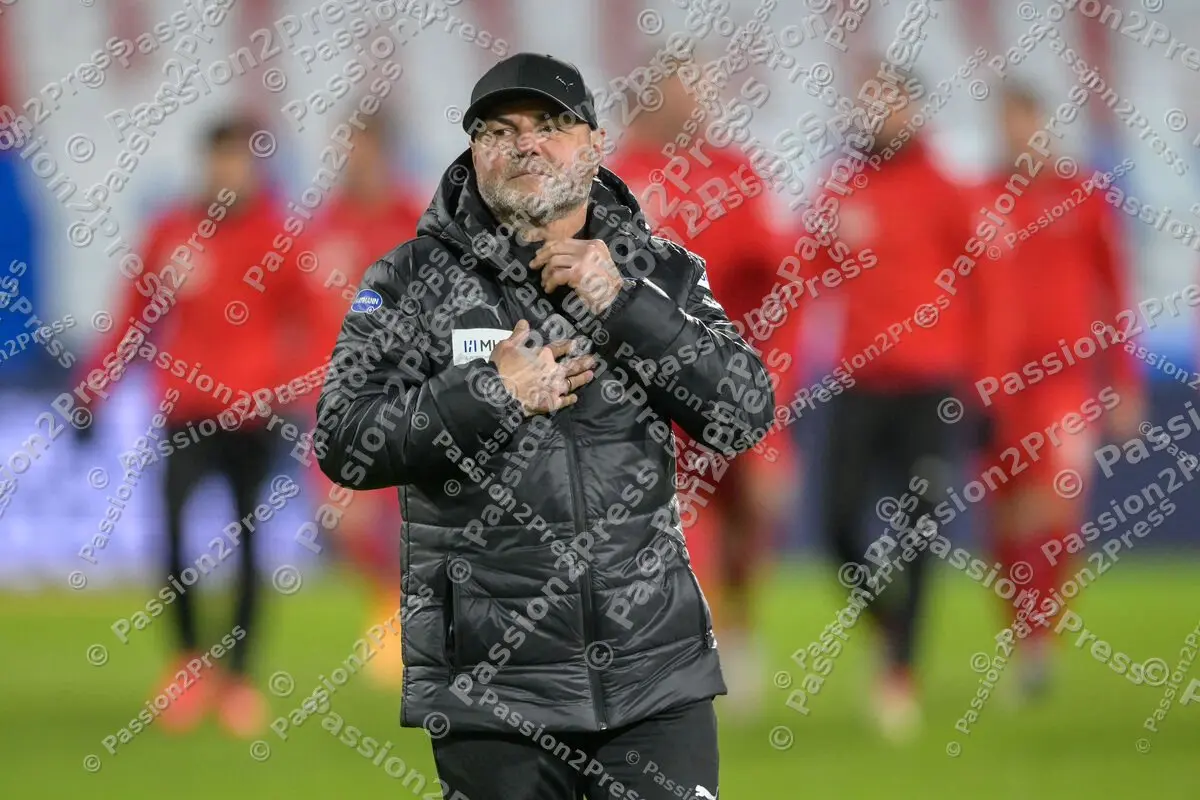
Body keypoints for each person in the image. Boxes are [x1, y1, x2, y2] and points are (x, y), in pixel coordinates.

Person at [314, 52, 775, 800]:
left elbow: (743, 411)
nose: (526, 144)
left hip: (654, 678)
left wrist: (625, 303)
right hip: (495, 694)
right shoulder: (407, 281)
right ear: (475, 154)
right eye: (500, 130)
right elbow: (343, 438)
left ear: (593, 146)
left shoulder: (663, 271)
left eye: (551, 126)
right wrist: (487, 391)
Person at [73, 115, 313, 738]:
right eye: (219, 160)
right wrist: (93, 391)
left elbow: (314, 324)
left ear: (256, 167)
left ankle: (237, 679)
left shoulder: (278, 236)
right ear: (205, 163)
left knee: (249, 545)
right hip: (185, 413)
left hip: (253, 418)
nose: (227, 173)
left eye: (238, 161)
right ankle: (185, 665)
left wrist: (291, 386)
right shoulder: (172, 232)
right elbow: (133, 319)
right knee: (174, 535)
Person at [805, 69, 1013, 741]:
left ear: (915, 110)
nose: (879, 116)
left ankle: (901, 673)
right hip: (859, 384)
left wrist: (987, 384)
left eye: (891, 103)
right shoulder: (841, 188)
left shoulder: (948, 189)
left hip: (931, 389)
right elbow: (805, 269)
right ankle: (887, 625)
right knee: (835, 526)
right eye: (870, 103)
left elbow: (990, 289)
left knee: (921, 527)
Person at [607, 50, 798, 718]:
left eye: (704, 89)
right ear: (656, 97)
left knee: (753, 514)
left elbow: (782, 282)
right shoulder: (614, 177)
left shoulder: (736, 175)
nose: (700, 102)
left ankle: (739, 633)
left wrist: (770, 373)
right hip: (643, 393)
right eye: (688, 89)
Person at [982, 84, 1141, 698]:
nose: (1017, 134)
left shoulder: (1085, 196)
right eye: (1006, 122)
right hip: (998, 387)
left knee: (1057, 502)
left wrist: (1122, 380)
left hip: (1064, 381)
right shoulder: (982, 199)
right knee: (1005, 517)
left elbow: (1116, 292)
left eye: (1024, 120)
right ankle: (1021, 635)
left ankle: (1040, 639)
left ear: (1044, 124)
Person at [299, 111, 425, 688]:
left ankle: (410, 625)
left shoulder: (416, 220)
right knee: (340, 518)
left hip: (410, 389)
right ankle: (387, 605)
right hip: (339, 393)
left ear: (383, 153)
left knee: (413, 517)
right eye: (345, 149)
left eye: (362, 150)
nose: (352, 161)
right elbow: (296, 311)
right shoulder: (321, 226)